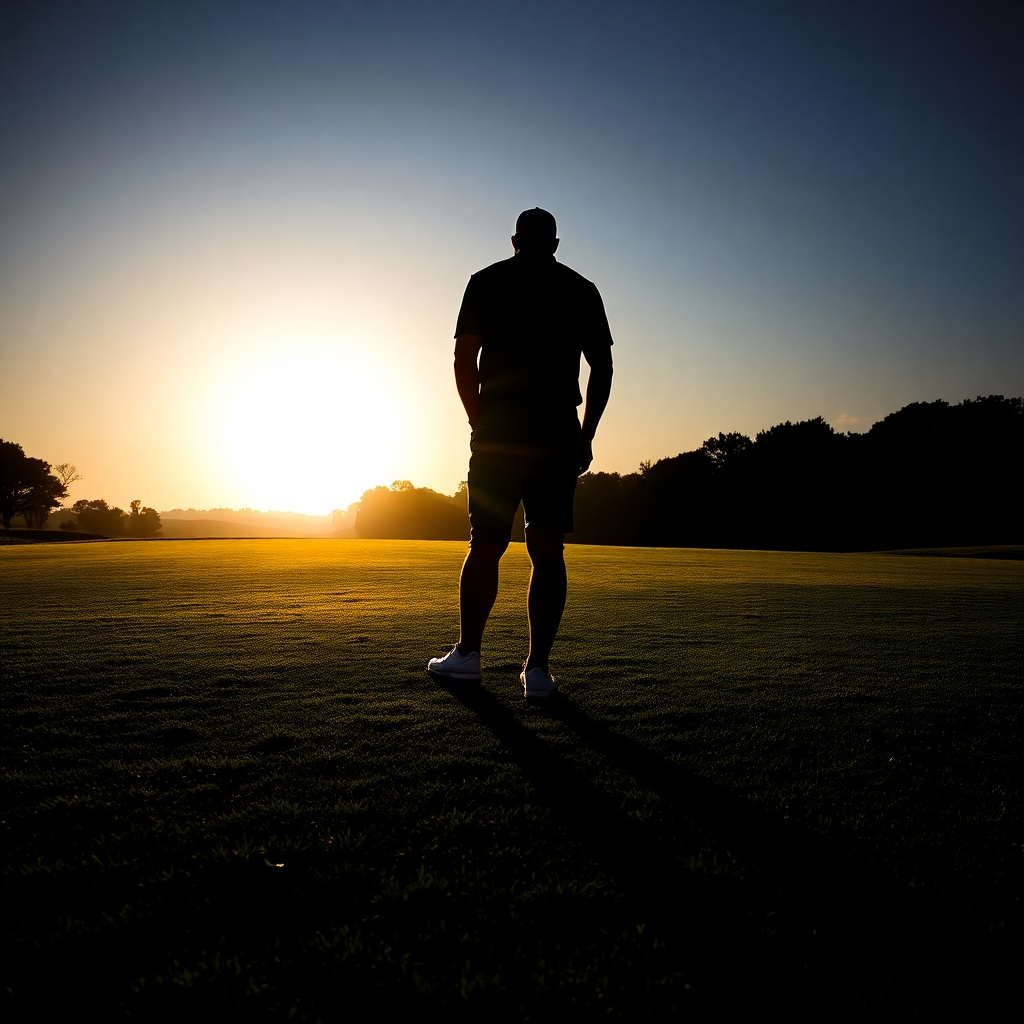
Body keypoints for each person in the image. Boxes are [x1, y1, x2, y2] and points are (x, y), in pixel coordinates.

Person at [427, 208, 614, 698]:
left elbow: (463, 357)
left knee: (486, 544)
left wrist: (477, 419)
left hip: (500, 427)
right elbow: (604, 367)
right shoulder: (581, 288)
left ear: (515, 240)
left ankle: (468, 655)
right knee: (547, 547)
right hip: (556, 430)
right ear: (554, 244)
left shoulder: (486, 281)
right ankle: (538, 671)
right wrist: (586, 433)